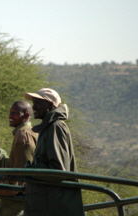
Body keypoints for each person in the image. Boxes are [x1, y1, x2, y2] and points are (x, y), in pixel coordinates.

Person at [23, 88, 84, 216]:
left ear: (50, 105)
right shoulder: (48, 128)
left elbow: (58, 171)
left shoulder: (56, 127)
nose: (33, 107)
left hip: (54, 206)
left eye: (37, 103)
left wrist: (29, 171)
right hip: (46, 203)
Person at [0, 101, 38, 216]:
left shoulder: (23, 134)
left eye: (15, 113)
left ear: (26, 116)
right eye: (10, 112)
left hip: (15, 197)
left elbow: (21, 172)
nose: (10, 115)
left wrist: (2, 190)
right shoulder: (31, 131)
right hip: (19, 192)